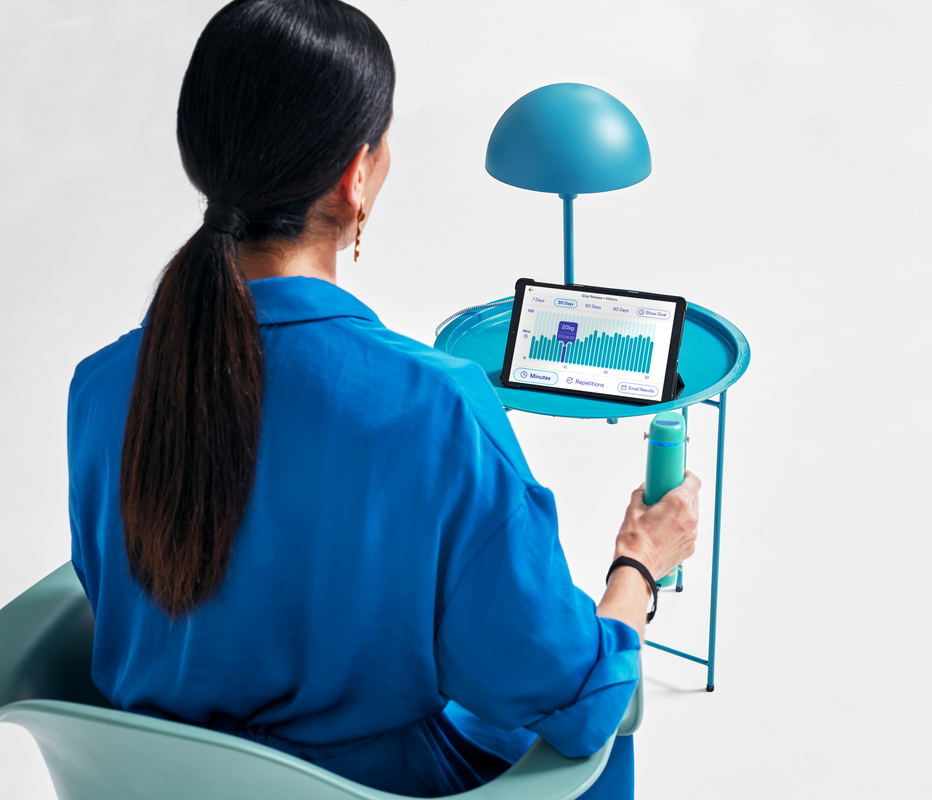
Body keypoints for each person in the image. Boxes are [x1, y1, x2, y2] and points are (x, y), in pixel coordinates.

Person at [65, 1, 700, 797]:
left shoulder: (98, 390)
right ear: (355, 175)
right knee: (607, 738)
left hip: (152, 782)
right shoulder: (436, 409)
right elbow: (572, 699)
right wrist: (638, 563)